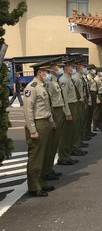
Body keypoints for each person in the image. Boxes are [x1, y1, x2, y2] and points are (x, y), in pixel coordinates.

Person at [23, 62, 56, 197]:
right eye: (46, 71)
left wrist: (51, 121)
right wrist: (32, 130)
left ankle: (41, 182)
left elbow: (46, 107)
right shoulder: (32, 87)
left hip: (45, 123)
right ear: (40, 72)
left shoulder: (42, 86)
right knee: (36, 156)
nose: (48, 74)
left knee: (44, 155)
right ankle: (34, 187)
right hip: (37, 124)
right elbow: (28, 110)